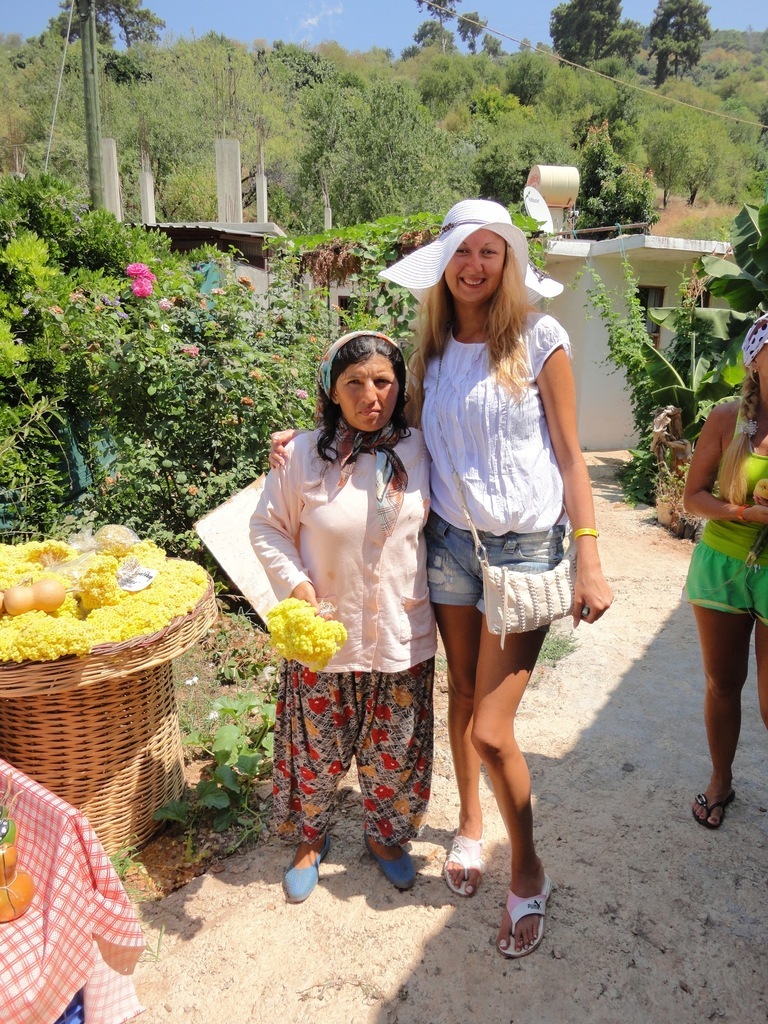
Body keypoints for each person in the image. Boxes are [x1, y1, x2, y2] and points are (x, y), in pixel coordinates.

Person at [378, 198, 613, 958]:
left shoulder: (540, 338)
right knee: (462, 694)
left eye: (490, 251)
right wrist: (305, 440)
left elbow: (572, 457)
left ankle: (529, 868)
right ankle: (470, 825)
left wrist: (589, 557)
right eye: (462, 251)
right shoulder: (431, 352)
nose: (474, 265)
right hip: (450, 545)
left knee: (490, 726)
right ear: (443, 264)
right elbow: (393, 434)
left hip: (525, 553)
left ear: (508, 261)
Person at [251, 330, 436, 903]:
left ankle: (384, 835)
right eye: (353, 382)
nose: (370, 395)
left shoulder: (423, 449)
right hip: (325, 631)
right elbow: (267, 527)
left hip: (400, 629)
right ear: (332, 390)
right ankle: (311, 838)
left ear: (400, 387)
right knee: (317, 747)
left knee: (395, 746)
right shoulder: (302, 455)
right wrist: (298, 587)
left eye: (383, 381)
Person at [684, 311, 768, 830]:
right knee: (722, 682)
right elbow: (693, 498)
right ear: (754, 361)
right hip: (721, 566)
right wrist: (742, 512)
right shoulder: (726, 419)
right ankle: (721, 780)